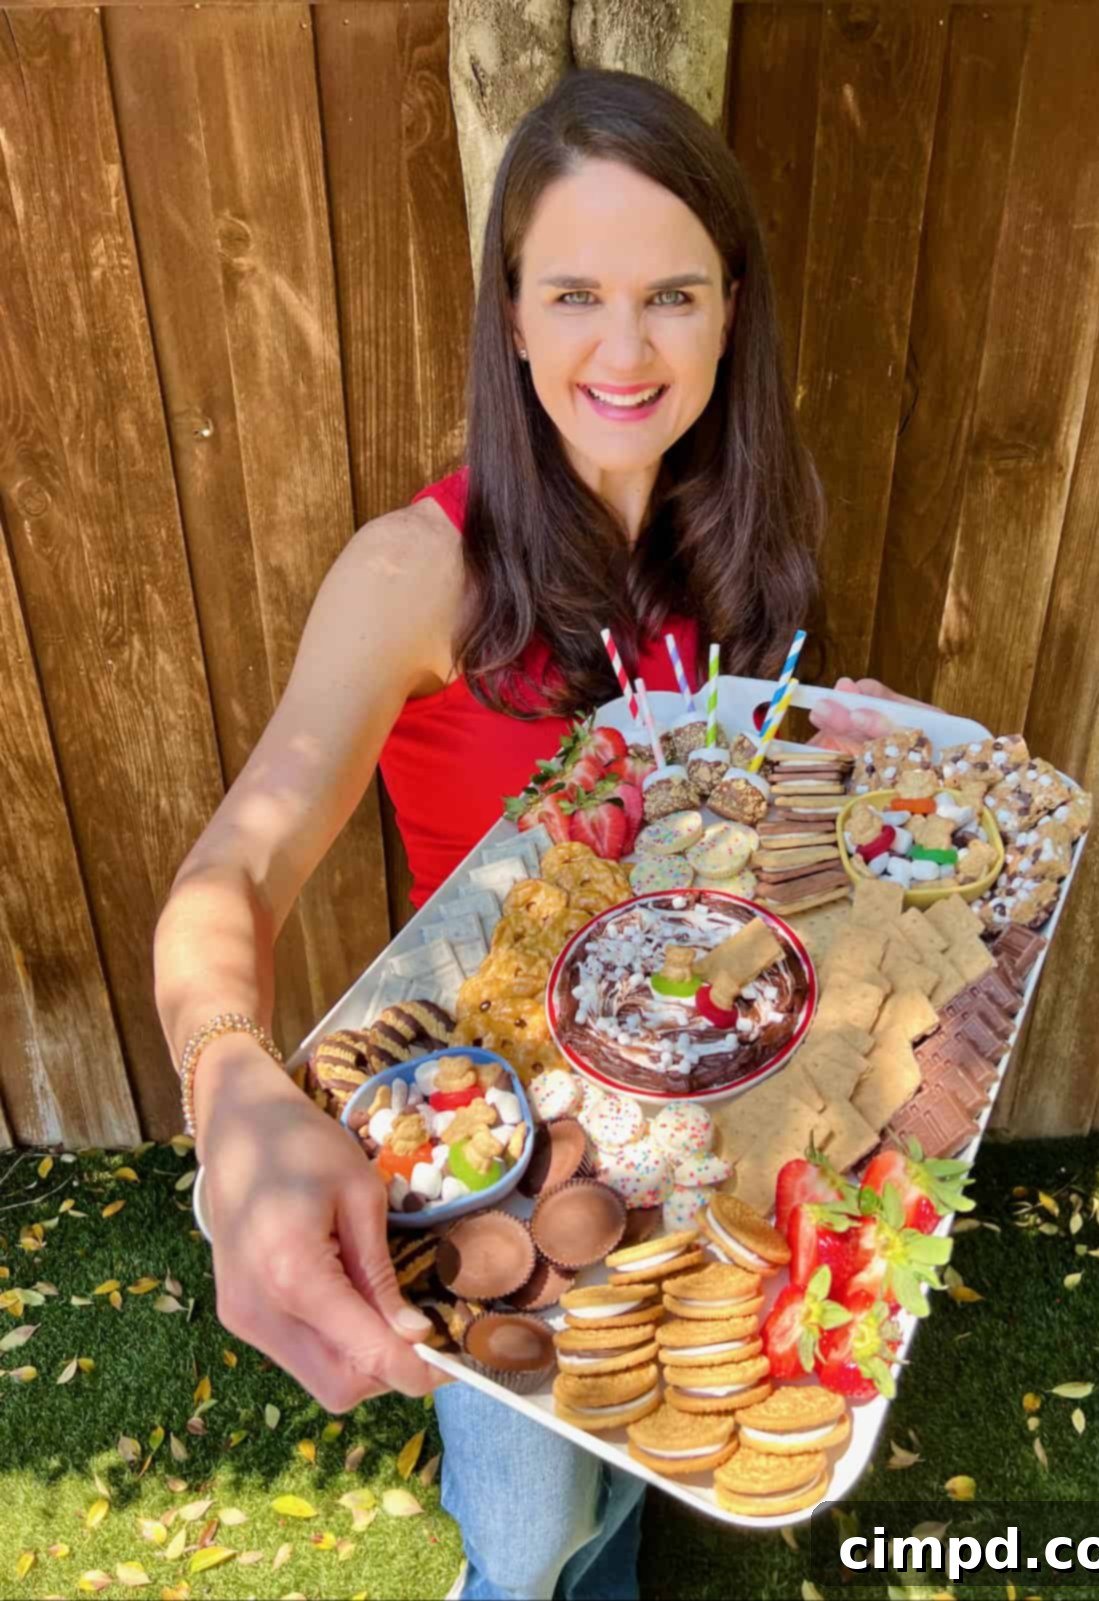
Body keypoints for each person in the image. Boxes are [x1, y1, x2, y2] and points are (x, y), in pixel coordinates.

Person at [153, 67, 913, 1601]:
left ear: (731, 310)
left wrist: (847, 770)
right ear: (510, 316)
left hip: (698, 1111)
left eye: (672, 298)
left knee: (622, 1480)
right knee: (521, 1539)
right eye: (573, 294)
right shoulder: (415, 570)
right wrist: (229, 1070)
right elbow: (231, 867)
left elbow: (725, 828)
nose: (623, 350)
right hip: (510, 1149)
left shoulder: (748, 540)